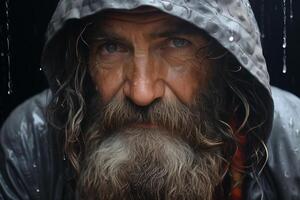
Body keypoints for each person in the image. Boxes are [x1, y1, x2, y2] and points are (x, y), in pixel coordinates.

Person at [1, 0, 300, 199]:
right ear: (84, 64)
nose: (142, 92)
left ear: (224, 63)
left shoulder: (292, 143)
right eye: (112, 47)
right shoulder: (31, 142)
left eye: (176, 44)